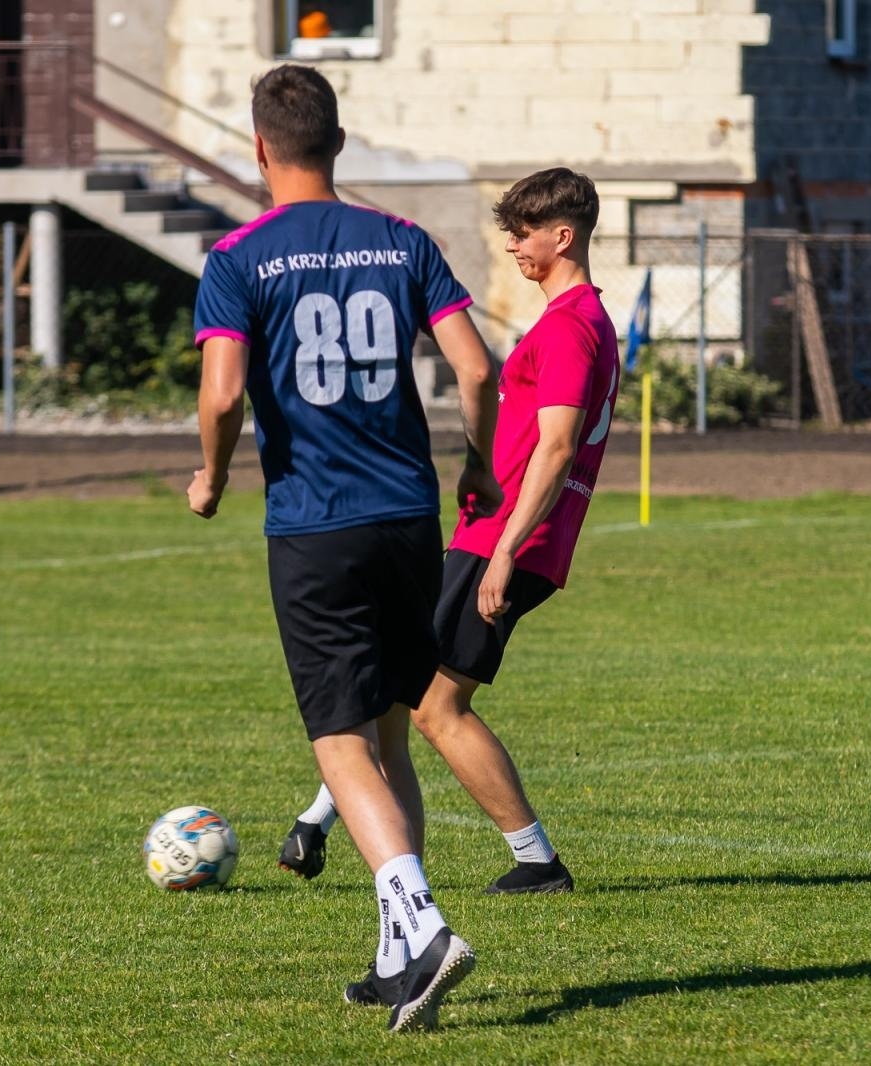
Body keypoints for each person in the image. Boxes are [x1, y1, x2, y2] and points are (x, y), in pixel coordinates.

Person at [186, 64, 501, 1033]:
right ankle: (394, 953)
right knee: (392, 728)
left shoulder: (238, 255)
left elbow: (224, 392)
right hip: (406, 516)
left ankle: (421, 916)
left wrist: (210, 474)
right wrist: (477, 467)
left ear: (258, 146)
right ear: (338, 140)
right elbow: (475, 368)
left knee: (336, 740)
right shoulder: (403, 240)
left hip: (315, 523)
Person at [279, 169, 623, 991]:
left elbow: (556, 446)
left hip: (500, 543)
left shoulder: (575, 325)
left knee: (436, 705)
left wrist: (506, 547)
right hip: (487, 537)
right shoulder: (568, 319)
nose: (513, 244)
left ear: (562, 236)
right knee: (408, 691)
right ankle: (320, 822)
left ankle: (534, 860)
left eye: (523, 232)